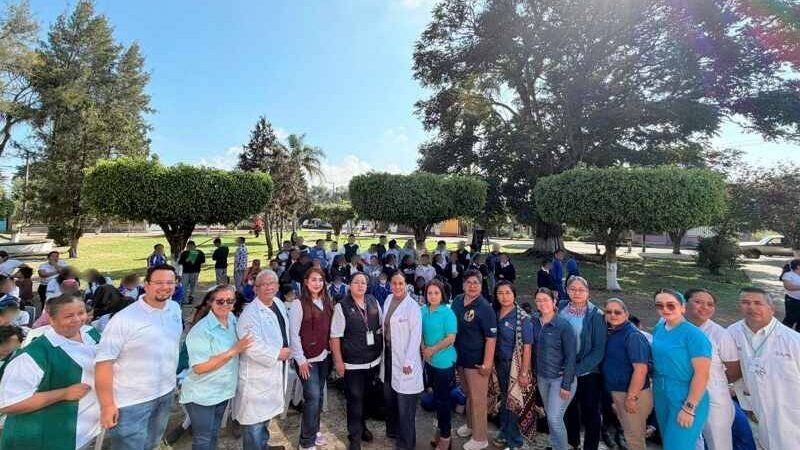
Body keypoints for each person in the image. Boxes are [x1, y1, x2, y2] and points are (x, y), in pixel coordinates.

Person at [95, 264, 183, 450]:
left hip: (165, 394)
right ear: (146, 284)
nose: (165, 287)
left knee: (152, 445)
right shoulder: (124, 319)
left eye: (170, 282)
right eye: (158, 282)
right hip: (131, 403)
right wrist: (107, 405)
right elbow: (104, 364)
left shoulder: (174, 308)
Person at [0, 295, 101, 450]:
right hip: (45, 437)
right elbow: (9, 404)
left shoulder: (92, 334)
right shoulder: (33, 355)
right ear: (52, 320)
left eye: (81, 313)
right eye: (68, 316)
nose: (77, 320)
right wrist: (64, 393)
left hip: (85, 432)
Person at [181, 284, 253, 450]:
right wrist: (234, 350)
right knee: (203, 440)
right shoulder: (201, 331)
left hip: (222, 391)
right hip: (202, 395)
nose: (225, 305)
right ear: (210, 302)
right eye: (220, 301)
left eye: (230, 301)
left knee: (213, 434)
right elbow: (199, 368)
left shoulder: (233, 320)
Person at [727, 287, 800, 449]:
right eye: (745, 302)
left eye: (757, 303)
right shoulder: (731, 334)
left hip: (789, 412)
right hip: (753, 410)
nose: (751, 307)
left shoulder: (793, 341)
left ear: (771, 309)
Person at [232, 270, 291, 450]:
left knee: (265, 418)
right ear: (255, 288)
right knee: (254, 423)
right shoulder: (250, 314)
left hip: (274, 371)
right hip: (257, 377)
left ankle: (263, 446)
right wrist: (277, 354)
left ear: (277, 286)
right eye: (263, 284)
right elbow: (250, 346)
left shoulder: (279, 303)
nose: (268, 287)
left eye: (272, 283)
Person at [651, 289, 712, 450]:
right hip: (662, 393)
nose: (665, 309)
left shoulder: (694, 335)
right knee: (668, 443)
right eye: (660, 306)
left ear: (683, 307)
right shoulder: (660, 328)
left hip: (686, 395)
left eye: (671, 305)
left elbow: (702, 375)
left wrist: (689, 408)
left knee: (677, 446)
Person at [330, 272, 382, 450]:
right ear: (349, 285)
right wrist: (338, 361)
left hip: (372, 361)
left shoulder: (373, 302)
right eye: (357, 282)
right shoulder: (342, 307)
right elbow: (335, 337)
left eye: (364, 283)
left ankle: (362, 427)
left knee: (366, 398)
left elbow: (381, 327)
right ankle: (354, 437)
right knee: (354, 399)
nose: (361, 285)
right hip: (352, 363)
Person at [684, 288, 741, 450]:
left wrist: (715, 382)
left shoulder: (720, 335)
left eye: (710, 304)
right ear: (685, 303)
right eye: (698, 302)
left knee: (718, 444)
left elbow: (734, 369)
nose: (704, 307)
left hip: (714, 399)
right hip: (681, 395)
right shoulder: (674, 326)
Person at [559, 276, 606, 450]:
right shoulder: (561, 307)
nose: (577, 293)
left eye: (581, 290)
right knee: (570, 409)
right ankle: (573, 443)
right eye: (573, 289)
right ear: (567, 291)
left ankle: (590, 447)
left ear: (588, 293)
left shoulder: (596, 315)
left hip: (587, 372)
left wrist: (576, 370)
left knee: (591, 413)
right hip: (564, 370)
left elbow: (599, 350)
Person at [452, 269, 497, 450]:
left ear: (481, 285)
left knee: (478, 399)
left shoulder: (484, 308)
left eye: (476, 283)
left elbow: (491, 338)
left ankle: (480, 438)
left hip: (477, 361)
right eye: (469, 282)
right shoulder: (457, 301)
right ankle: (471, 426)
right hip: (460, 359)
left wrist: (487, 363)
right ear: (463, 284)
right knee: (469, 395)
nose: (472, 286)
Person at [289, 268, 334, 450]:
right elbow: (294, 334)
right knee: (313, 397)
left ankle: (314, 431)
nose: (317, 283)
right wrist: (300, 360)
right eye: (313, 280)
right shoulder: (299, 304)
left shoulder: (326, 301)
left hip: (324, 356)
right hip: (307, 360)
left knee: (320, 395)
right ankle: (305, 442)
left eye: (320, 280)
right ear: (306, 282)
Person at [601, 298, 652, 450]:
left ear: (626, 313)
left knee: (634, 440)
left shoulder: (633, 336)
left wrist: (631, 397)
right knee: (631, 438)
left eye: (617, 312)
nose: (613, 315)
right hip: (619, 393)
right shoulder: (614, 332)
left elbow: (640, 369)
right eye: (608, 312)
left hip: (633, 394)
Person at [380, 271, 424, 450]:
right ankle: (393, 431)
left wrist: (409, 362)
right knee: (390, 396)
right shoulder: (388, 299)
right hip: (389, 355)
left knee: (405, 403)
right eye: (394, 283)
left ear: (407, 285)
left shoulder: (412, 307)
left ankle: (406, 443)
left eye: (400, 283)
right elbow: (385, 326)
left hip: (406, 359)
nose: (397, 287)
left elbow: (415, 336)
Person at [532, 287, 577, 450]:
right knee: (552, 417)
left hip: (561, 379)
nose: (542, 303)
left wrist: (566, 384)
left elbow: (571, 356)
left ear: (554, 302)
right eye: (538, 300)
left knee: (553, 418)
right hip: (543, 378)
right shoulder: (534, 321)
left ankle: (562, 448)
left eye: (545, 300)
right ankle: (553, 445)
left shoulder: (563, 326)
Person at [491, 281, 533, 450]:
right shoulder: (495, 312)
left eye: (507, 293)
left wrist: (523, 373)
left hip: (514, 366)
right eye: (500, 293)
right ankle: (504, 432)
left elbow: (527, 347)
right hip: (498, 364)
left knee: (513, 401)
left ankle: (515, 441)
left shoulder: (522, 317)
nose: (504, 296)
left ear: (514, 294)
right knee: (503, 398)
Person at [421, 279, 457, 450]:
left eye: (436, 293)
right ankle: (440, 431)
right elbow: (418, 331)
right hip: (429, 362)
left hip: (443, 363)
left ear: (442, 294)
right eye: (430, 293)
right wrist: (423, 348)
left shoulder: (447, 313)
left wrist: (432, 350)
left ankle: (445, 437)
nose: (433, 296)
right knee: (436, 399)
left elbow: (450, 338)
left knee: (443, 401)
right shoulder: (422, 310)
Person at [780, 258, 800, 331]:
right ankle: (781, 336)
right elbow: (788, 287)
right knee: (790, 320)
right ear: (798, 266)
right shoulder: (788, 274)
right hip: (792, 301)